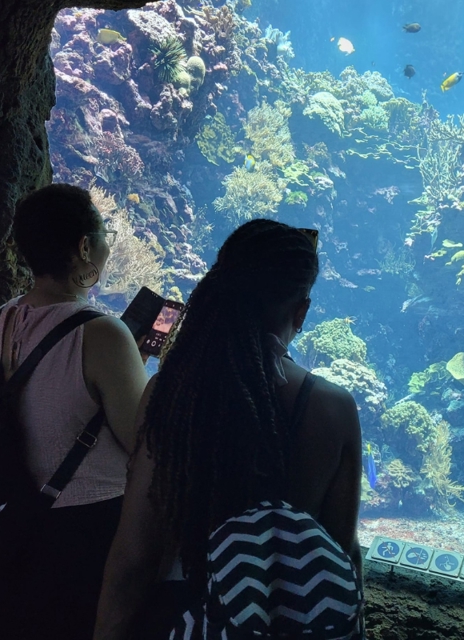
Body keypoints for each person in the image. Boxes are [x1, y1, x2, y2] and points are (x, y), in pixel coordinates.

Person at [93, 219, 364, 639]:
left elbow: (134, 556)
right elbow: (341, 553)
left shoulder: (172, 393)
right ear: (302, 311)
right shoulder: (334, 409)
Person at [0, 183, 150, 640]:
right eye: (105, 233)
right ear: (85, 247)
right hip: (81, 535)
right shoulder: (104, 335)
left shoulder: (0, 320)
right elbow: (143, 442)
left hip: (7, 521)